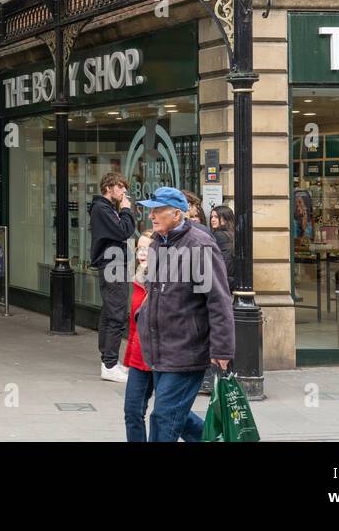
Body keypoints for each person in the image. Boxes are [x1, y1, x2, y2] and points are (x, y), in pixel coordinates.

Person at [135, 187, 234, 443]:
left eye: (158, 210)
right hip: (158, 348)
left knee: (163, 419)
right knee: (176, 415)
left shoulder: (200, 245)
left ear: (177, 214)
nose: (152, 216)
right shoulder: (159, 242)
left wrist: (222, 349)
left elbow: (219, 299)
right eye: (151, 210)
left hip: (186, 349)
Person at [88, 171, 137, 382]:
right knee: (117, 313)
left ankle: (108, 362)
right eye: (120, 186)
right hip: (112, 264)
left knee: (110, 312)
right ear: (108, 188)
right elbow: (123, 231)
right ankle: (109, 364)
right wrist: (126, 210)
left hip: (113, 263)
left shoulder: (104, 209)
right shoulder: (102, 209)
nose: (124, 191)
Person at [123, 231, 156, 442]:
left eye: (148, 249)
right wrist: (129, 356)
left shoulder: (163, 279)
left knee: (169, 415)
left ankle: (206, 437)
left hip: (162, 356)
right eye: (139, 249)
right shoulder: (138, 277)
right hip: (139, 355)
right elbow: (134, 324)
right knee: (132, 412)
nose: (142, 254)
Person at [209, 205, 237, 292]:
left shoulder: (219, 235)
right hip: (232, 280)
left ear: (226, 218)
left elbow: (225, 259)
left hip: (222, 279)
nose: (212, 220)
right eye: (211, 217)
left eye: (216, 217)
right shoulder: (232, 234)